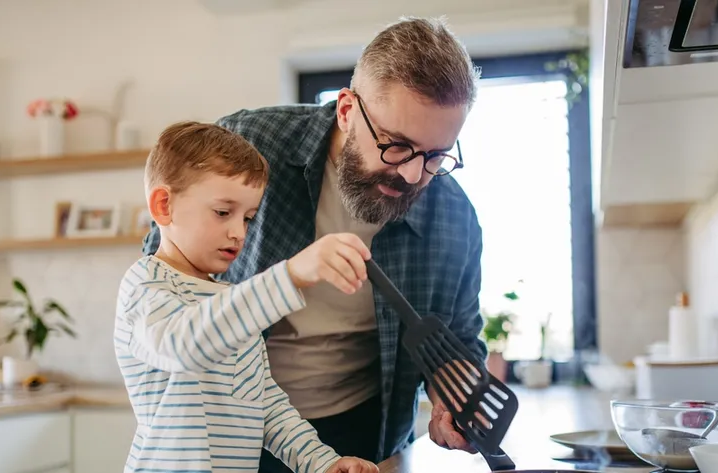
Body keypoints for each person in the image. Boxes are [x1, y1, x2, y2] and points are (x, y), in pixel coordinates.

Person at [142, 16, 487, 472]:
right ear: (347, 110)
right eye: (397, 146)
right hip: (227, 429)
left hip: (364, 436)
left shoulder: (453, 216)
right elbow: (161, 282)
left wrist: (453, 399)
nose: (412, 175)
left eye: (436, 154)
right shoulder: (248, 148)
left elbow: (456, 343)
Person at [114, 121, 379, 473]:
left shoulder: (230, 300)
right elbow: (183, 345)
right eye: (223, 212)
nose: (238, 232)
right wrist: (291, 275)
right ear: (164, 206)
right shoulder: (145, 285)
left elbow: (264, 403)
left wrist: (322, 462)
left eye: (249, 218)